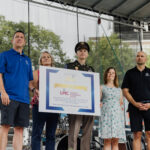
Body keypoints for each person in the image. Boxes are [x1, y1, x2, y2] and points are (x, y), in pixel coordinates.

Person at [0, 31, 33, 150]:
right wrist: (3, 92)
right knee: (5, 126)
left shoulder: (27, 60)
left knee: (19, 129)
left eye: (22, 37)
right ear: (12, 40)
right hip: (9, 97)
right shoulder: (4, 55)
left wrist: (34, 90)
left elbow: (29, 81)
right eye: (17, 37)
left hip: (24, 99)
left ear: (24, 42)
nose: (19, 38)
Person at [66, 42, 95, 150]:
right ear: (76, 53)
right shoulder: (69, 67)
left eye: (85, 51)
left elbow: (93, 88)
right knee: (73, 132)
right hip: (74, 104)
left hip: (88, 105)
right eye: (80, 50)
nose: (82, 52)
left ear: (87, 54)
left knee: (87, 133)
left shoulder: (91, 69)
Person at [30, 51, 59, 150]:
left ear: (51, 60)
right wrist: (34, 90)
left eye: (48, 57)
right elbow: (29, 84)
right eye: (43, 57)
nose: (46, 58)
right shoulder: (36, 73)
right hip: (39, 105)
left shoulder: (58, 73)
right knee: (36, 133)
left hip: (53, 106)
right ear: (41, 61)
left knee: (51, 135)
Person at [122, 51, 150, 150]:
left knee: (149, 133)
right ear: (135, 58)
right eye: (138, 56)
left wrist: (149, 104)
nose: (139, 57)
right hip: (134, 107)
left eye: (142, 56)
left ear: (145, 58)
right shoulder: (129, 73)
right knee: (137, 134)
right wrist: (135, 104)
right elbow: (125, 91)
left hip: (149, 107)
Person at [100, 67, 126, 150]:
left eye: (113, 73)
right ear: (106, 74)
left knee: (115, 141)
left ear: (115, 75)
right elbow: (97, 100)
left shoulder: (119, 90)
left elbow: (121, 104)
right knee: (107, 141)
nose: (111, 74)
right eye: (109, 72)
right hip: (106, 116)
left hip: (117, 117)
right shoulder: (102, 87)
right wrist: (99, 104)